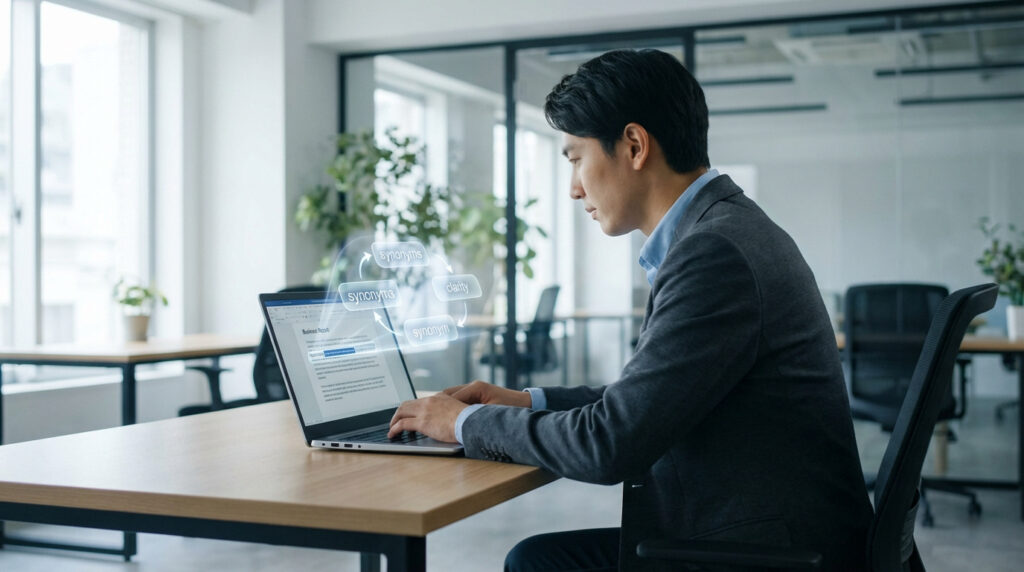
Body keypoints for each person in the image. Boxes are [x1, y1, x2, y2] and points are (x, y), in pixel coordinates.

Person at [388, 49, 873, 571]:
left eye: (576, 158)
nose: (574, 189)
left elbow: (611, 445)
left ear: (635, 145)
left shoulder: (714, 254)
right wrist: (524, 401)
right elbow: (646, 402)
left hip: (770, 552)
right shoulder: (728, 230)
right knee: (538, 558)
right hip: (776, 533)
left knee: (538, 563)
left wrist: (466, 422)